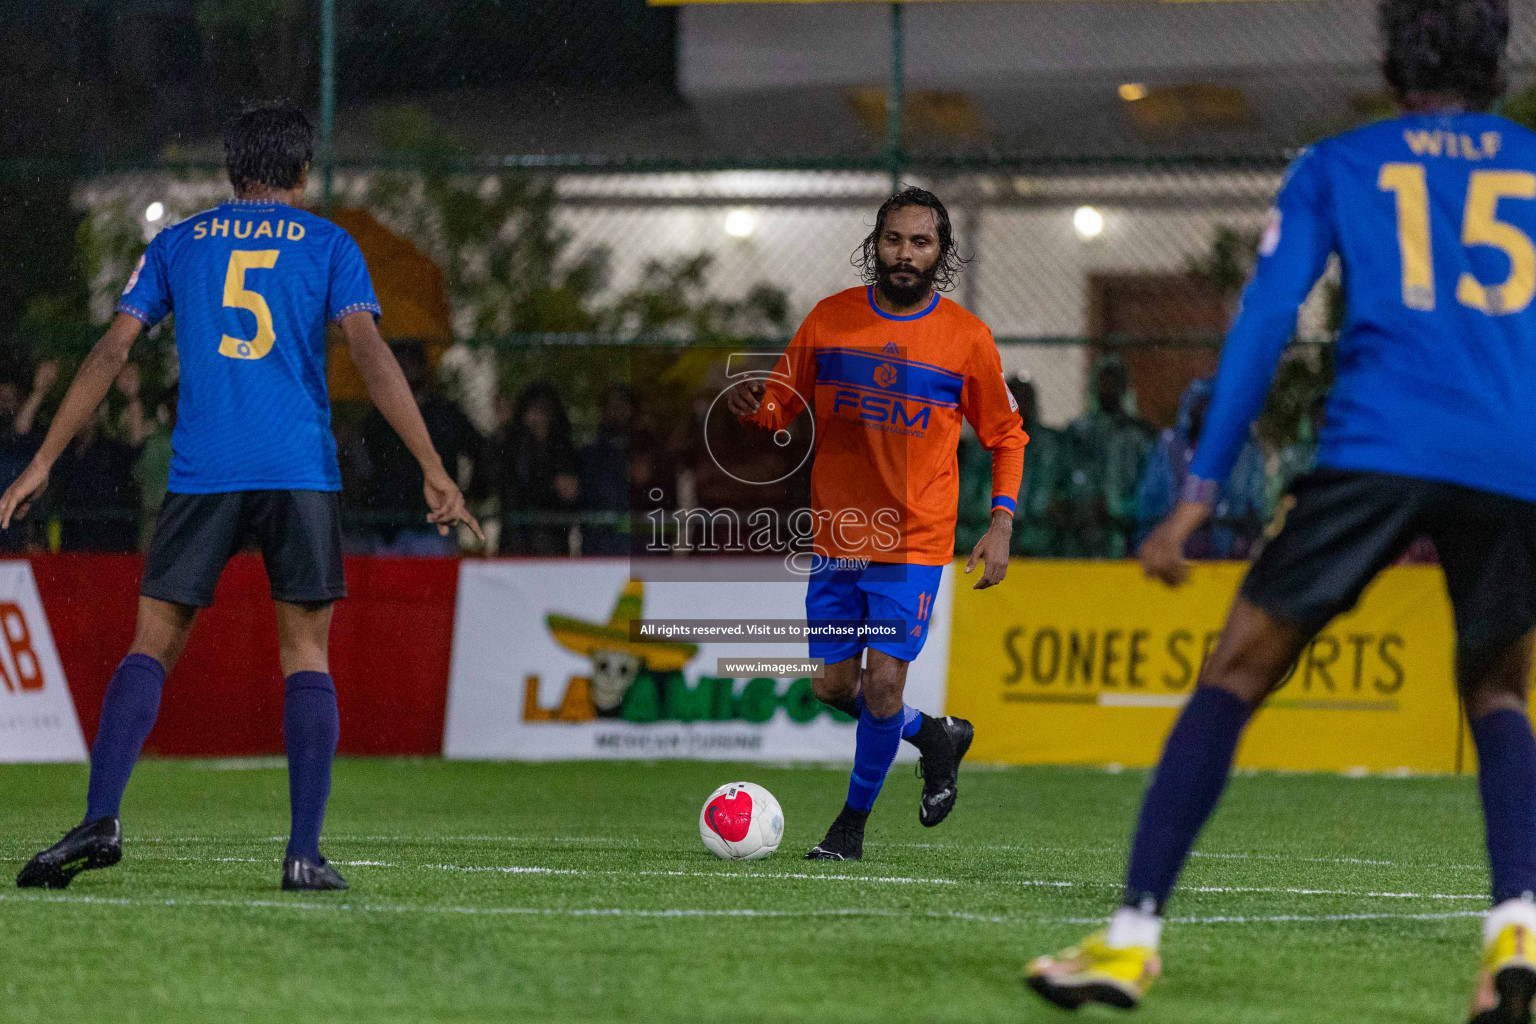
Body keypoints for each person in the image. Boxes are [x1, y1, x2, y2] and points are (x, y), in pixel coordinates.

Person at [1026, 2, 1536, 1018]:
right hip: (1515, 462)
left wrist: (1198, 492)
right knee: (1500, 692)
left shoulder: (1338, 163)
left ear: (1391, 63)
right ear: (1496, 64)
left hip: (1376, 448)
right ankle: (1517, 930)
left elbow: (1264, 324)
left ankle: (1131, 938)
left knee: (1238, 668)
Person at [7, 102, 480, 893]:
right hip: (297, 469)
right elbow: (369, 353)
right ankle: (302, 852)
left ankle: (100, 817)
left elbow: (113, 347)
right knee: (305, 652)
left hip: (204, 471)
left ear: (232, 172)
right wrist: (432, 464)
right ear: (301, 171)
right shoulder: (330, 244)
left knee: (150, 645)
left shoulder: (178, 244)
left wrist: (41, 460)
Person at [728, 186, 1028, 861]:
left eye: (920, 242)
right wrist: (754, 406)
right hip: (837, 538)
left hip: (916, 538)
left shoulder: (965, 338)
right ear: (875, 243)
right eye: (893, 239)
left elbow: (1007, 436)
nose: (904, 253)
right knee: (835, 688)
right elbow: (779, 408)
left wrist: (1001, 521)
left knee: (885, 681)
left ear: (940, 253)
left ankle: (849, 830)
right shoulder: (829, 320)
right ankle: (934, 736)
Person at [356, 339, 482, 556]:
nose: (406, 370)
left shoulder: (445, 413)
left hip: (430, 526)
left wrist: (469, 495)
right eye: (400, 364)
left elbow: (481, 454)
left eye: (410, 363)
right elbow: (363, 462)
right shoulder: (378, 417)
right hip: (388, 526)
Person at [1133, 376, 1267, 560]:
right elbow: (1150, 501)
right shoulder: (1170, 446)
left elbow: (1253, 505)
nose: (1205, 412)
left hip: (1224, 554)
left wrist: (1241, 545)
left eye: (1212, 406)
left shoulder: (1244, 452)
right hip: (1173, 552)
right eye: (1201, 404)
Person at [1063, 355, 1155, 558]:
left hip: (1122, 532)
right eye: (1103, 380)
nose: (1108, 387)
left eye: (1114, 381)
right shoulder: (1079, 431)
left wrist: (1117, 508)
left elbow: (1149, 488)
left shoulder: (1138, 435)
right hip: (1080, 529)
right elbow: (1066, 479)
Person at [489, 380, 579, 556]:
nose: (537, 417)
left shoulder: (563, 449)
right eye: (532, 410)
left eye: (543, 411)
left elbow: (569, 493)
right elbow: (495, 481)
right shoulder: (511, 446)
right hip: (515, 538)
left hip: (552, 539)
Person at [578, 384, 632, 556]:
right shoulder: (589, 455)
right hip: (598, 546)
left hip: (636, 545)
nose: (617, 412)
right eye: (611, 406)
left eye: (622, 406)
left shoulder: (644, 452)